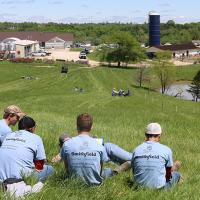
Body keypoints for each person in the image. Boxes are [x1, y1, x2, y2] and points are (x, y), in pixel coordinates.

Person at [0, 116, 54, 183]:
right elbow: (39, 165)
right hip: (19, 180)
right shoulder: (36, 138)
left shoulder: (9, 135)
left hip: (1, 178)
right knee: (50, 169)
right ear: (31, 128)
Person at [131, 123, 181, 189]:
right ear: (159, 136)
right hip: (159, 189)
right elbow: (168, 176)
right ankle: (175, 170)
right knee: (177, 174)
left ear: (145, 135)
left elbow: (134, 170)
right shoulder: (166, 149)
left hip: (137, 187)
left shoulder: (136, 149)